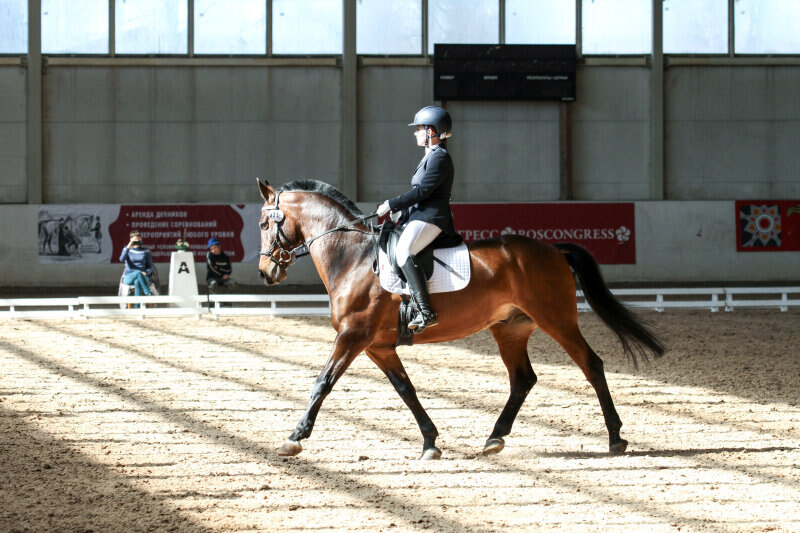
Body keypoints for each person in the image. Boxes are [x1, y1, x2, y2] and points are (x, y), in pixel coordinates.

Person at [376, 105, 456, 333]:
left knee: (404, 252)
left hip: (433, 217)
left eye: (419, 128)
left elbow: (422, 192)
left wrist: (392, 203)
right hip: (420, 214)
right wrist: (403, 212)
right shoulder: (430, 156)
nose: (415, 132)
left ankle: (426, 311)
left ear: (431, 131)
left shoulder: (440, 157)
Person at [119, 230, 153, 300]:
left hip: (143, 276)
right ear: (131, 240)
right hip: (129, 276)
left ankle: (136, 306)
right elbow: (121, 259)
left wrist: (146, 272)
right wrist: (129, 246)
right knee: (138, 272)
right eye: (135, 240)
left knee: (137, 281)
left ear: (141, 239)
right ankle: (148, 293)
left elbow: (150, 266)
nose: (137, 241)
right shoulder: (127, 250)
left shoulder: (146, 251)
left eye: (138, 239)